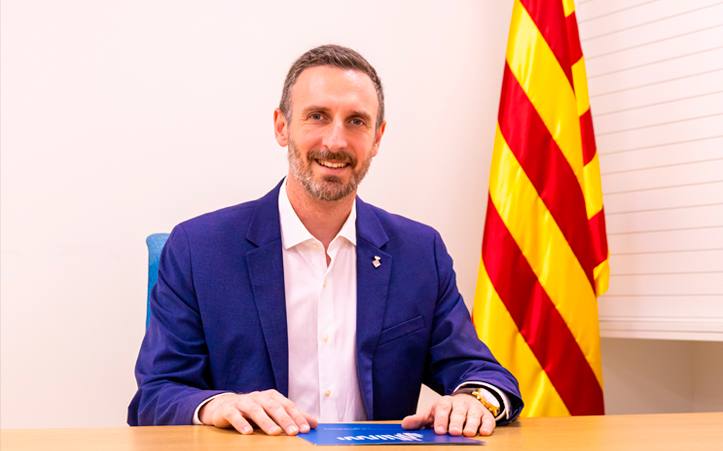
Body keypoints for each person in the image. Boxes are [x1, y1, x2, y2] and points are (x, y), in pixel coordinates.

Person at [128, 44, 523, 438]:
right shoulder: (198, 249)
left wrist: (473, 400)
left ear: (377, 138)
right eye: (317, 116)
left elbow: (483, 374)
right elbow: (156, 394)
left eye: (356, 121)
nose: (335, 142)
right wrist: (218, 404)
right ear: (282, 127)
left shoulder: (420, 253)